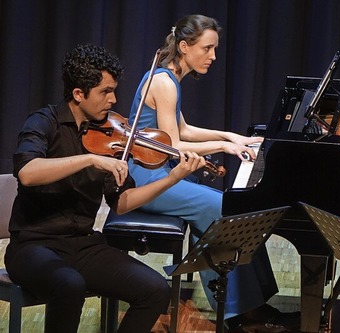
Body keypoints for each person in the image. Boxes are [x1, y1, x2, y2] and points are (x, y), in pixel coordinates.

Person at [6, 43, 207, 333]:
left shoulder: (111, 136)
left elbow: (122, 203)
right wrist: (89, 159)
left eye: (114, 91)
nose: (113, 100)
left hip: (83, 244)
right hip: (32, 246)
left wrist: (172, 178)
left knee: (155, 290)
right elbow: (27, 173)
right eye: (104, 92)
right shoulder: (43, 122)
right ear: (78, 94)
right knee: (69, 283)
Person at [126, 14, 298, 332]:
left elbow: (182, 128)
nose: (213, 56)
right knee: (222, 210)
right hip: (148, 176)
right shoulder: (163, 82)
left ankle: (254, 305)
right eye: (207, 48)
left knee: (234, 208)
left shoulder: (168, 79)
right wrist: (226, 147)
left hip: (161, 172)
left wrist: (231, 138)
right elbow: (175, 147)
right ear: (184, 46)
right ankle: (239, 312)